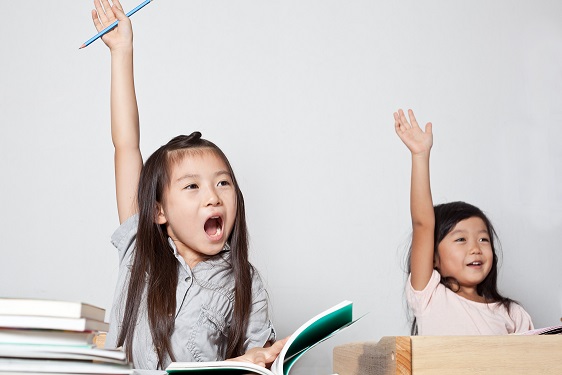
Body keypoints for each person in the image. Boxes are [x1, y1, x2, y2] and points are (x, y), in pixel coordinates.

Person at [89, 0, 286, 370]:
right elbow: (126, 146)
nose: (213, 195)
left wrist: (261, 358)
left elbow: (256, 365)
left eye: (223, 182)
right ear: (159, 210)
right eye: (192, 187)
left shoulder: (244, 283)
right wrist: (122, 52)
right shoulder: (140, 252)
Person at [394, 108, 534, 336]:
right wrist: (420, 156)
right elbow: (423, 224)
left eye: (483, 239)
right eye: (461, 239)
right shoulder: (429, 296)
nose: (476, 248)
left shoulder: (512, 314)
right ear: (434, 258)